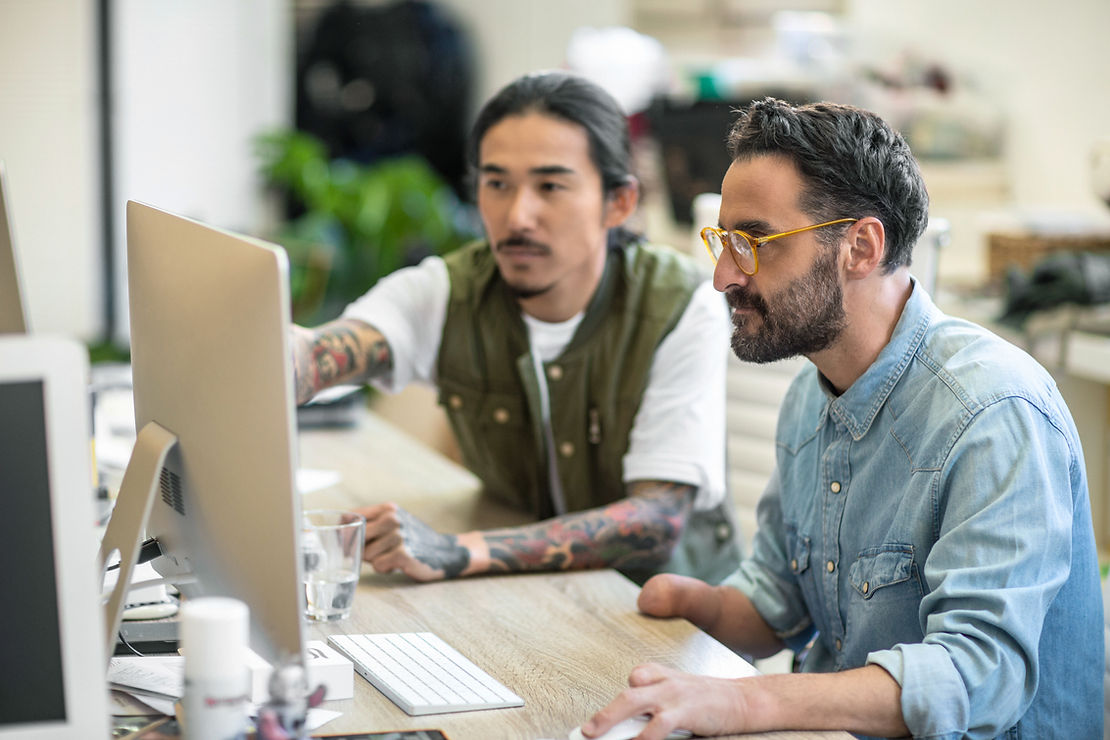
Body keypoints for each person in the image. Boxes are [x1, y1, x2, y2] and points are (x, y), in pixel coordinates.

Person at [580, 98, 1104, 739]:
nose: (722, 276)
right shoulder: (812, 392)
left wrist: (744, 704)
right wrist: (686, 604)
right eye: (723, 242)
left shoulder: (994, 412)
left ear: (860, 245)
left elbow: (978, 674)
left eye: (751, 243)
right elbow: (777, 603)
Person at [291, 70, 742, 586]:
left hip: (672, 616)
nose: (517, 215)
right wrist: (279, 354)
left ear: (619, 202)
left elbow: (656, 521)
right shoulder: (448, 291)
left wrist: (457, 552)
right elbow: (321, 351)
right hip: (529, 593)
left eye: (550, 186)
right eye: (497, 184)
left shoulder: (681, 304)